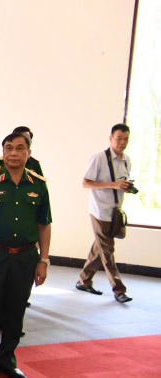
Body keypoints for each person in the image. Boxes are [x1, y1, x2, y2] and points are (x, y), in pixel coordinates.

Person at [0, 132, 51, 378]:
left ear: (28, 152)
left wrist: (43, 260)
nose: (13, 153)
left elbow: (44, 224)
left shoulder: (38, 184)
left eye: (19, 148)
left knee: (16, 310)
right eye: (8, 148)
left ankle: (7, 359)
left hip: (25, 257)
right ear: (2, 152)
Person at [77, 123, 133, 303]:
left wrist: (126, 186)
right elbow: (86, 183)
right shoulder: (99, 158)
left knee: (100, 248)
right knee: (107, 251)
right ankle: (118, 290)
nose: (122, 142)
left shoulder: (126, 160)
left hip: (114, 213)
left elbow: (120, 184)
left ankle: (84, 280)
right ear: (111, 139)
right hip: (99, 212)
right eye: (119, 138)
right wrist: (113, 184)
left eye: (126, 139)